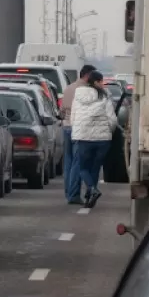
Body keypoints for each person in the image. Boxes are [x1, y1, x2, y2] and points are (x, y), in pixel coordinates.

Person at [70, 71, 119, 208]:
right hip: (102, 140)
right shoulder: (104, 97)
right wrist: (110, 132)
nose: (103, 84)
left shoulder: (78, 96)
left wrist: (78, 130)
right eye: (101, 81)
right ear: (96, 82)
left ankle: (92, 190)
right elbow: (112, 119)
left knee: (83, 167)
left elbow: (73, 118)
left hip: (83, 137)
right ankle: (90, 195)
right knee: (95, 168)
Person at [59, 64, 96, 205]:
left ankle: (68, 192)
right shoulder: (86, 90)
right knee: (78, 163)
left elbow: (61, 110)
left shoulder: (68, 88)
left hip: (66, 127)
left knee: (68, 162)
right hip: (79, 128)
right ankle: (74, 194)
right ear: (87, 75)